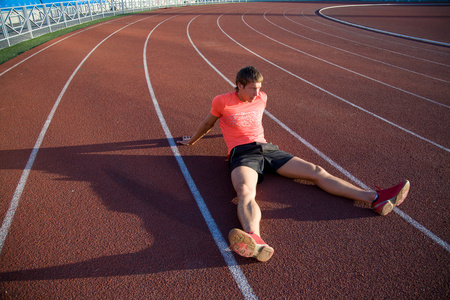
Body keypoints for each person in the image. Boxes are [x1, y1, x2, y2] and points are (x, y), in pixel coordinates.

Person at [177, 66, 410, 262]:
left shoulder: (263, 98)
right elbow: (209, 124)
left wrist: (255, 137)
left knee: (317, 172)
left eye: (259, 88)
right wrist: (192, 141)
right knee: (245, 191)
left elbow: (249, 121)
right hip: (242, 154)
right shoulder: (222, 101)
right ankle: (254, 239)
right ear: (239, 85)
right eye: (253, 89)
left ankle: (375, 199)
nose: (258, 93)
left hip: (268, 149)